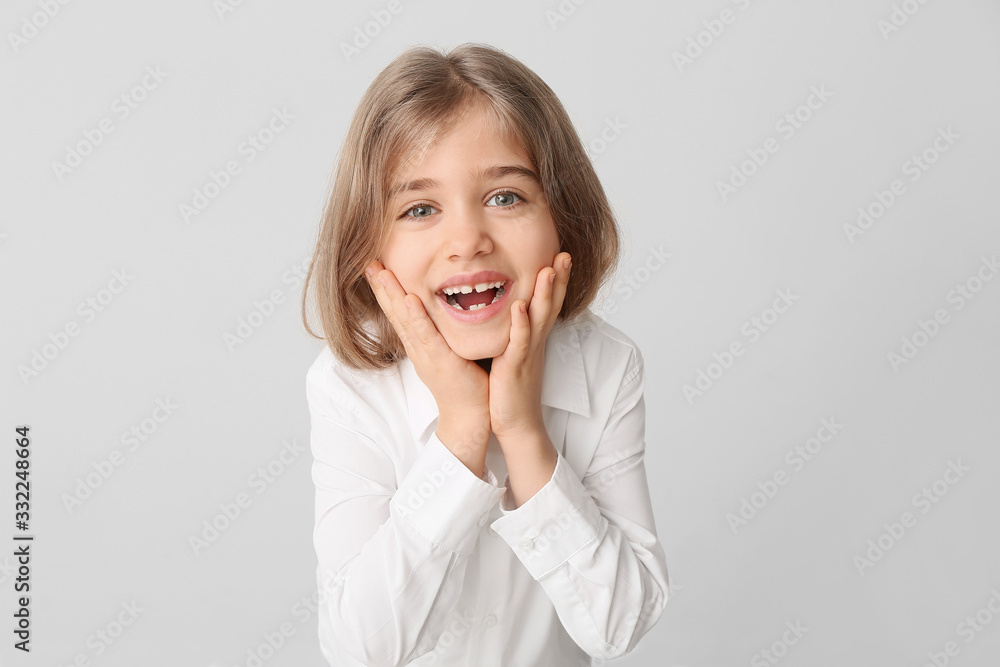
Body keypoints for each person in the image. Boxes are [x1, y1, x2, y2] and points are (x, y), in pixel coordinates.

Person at [301, 42, 669, 667]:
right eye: (419, 209)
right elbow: (362, 648)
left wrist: (522, 432)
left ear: (565, 220)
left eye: (506, 197)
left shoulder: (606, 366)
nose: (467, 240)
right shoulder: (350, 387)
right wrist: (464, 430)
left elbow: (617, 626)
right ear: (371, 246)